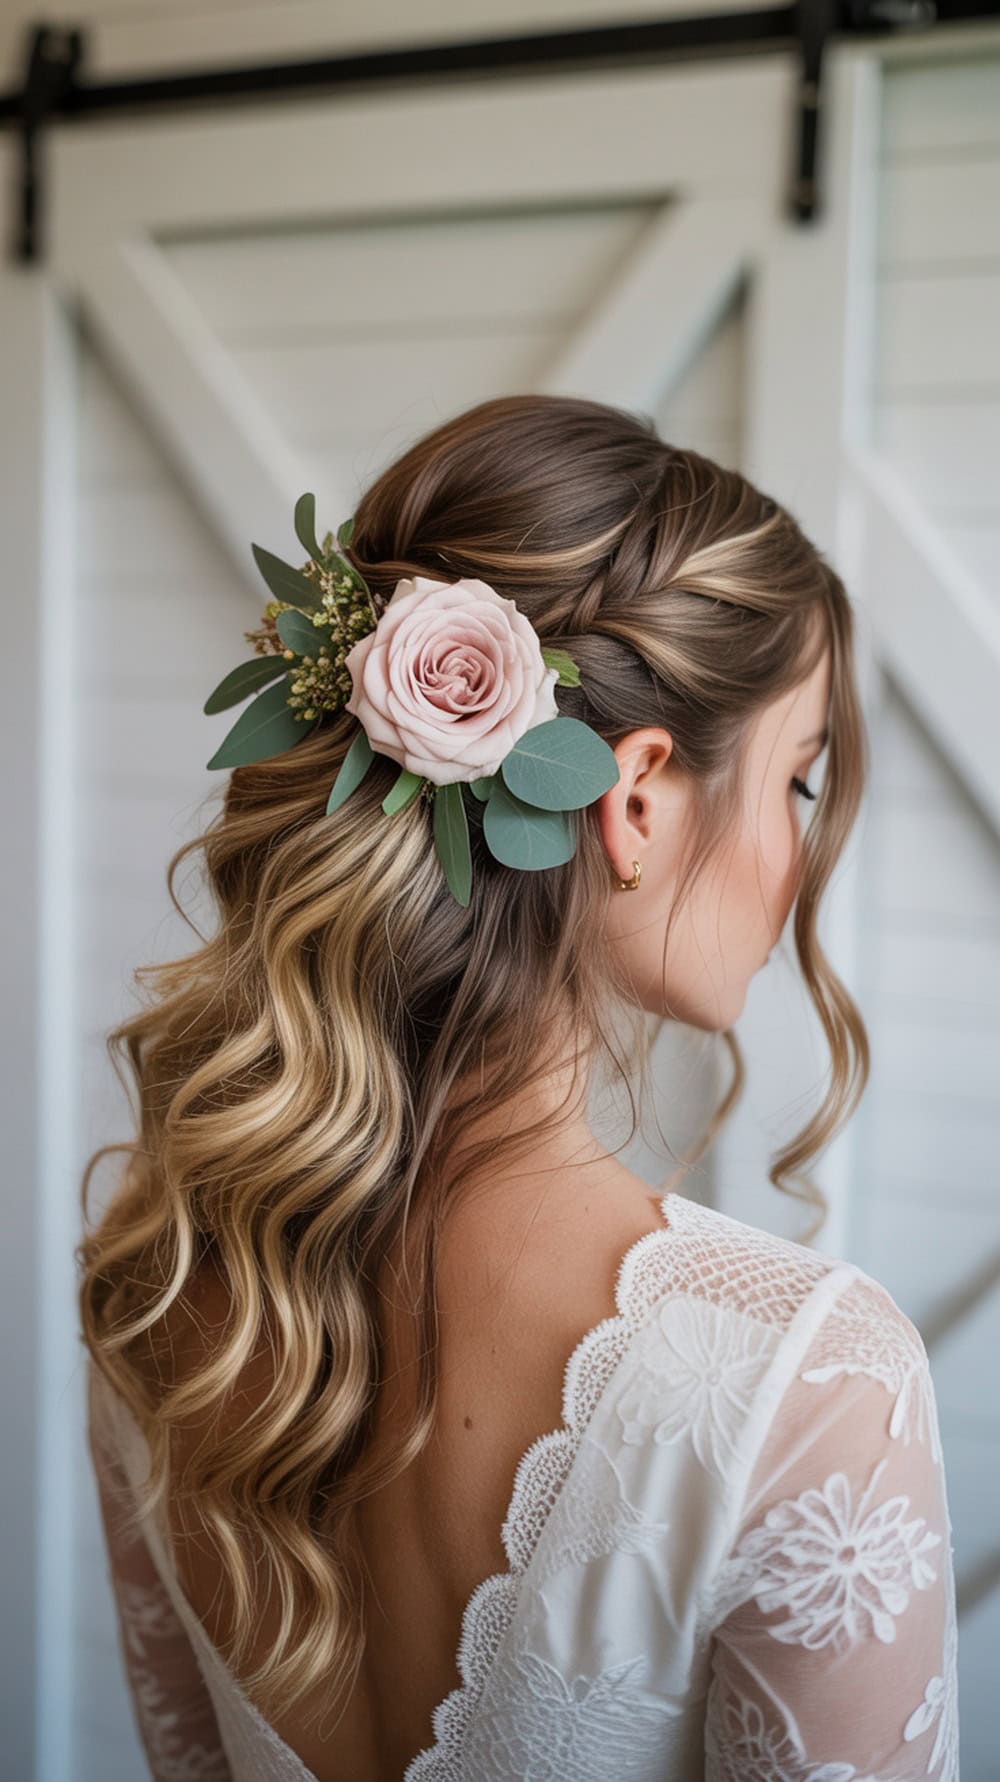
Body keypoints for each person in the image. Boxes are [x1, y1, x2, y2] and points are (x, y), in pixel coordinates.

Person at [78, 394, 958, 1781]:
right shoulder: (807, 1381)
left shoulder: (166, 1289)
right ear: (641, 793)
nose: (798, 858)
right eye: (796, 781)